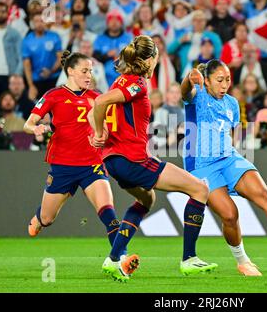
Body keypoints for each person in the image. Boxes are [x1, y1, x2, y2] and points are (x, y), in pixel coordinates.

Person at [89, 35, 217, 282]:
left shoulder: (120, 80)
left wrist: (102, 130)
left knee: (146, 198)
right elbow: (101, 100)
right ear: (149, 60)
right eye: (156, 58)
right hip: (132, 159)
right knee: (200, 189)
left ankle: (114, 258)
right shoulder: (137, 83)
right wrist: (98, 131)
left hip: (114, 160)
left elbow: (107, 104)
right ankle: (189, 259)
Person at [181, 59, 267, 277]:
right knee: (230, 215)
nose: (224, 85)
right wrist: (189, 79)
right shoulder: (197, 96)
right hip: (202, 164)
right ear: (206, 81)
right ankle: (243, 261)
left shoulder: (232, 104)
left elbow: (229, 133)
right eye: (219, 80)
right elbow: (184, 91)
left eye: (227, 80)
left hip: (229, 157)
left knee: (265, 195)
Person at [24, 51, 123, 268]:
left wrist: (101, 137)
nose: (89, 75)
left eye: (91, 71)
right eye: (84, 70)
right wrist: (36, 127)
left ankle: (120, 259)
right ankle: (39, 218)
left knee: (108, 210)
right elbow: (28, 123)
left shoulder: (97, 97)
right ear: (70, 71)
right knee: (48, 219)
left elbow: (104, 129)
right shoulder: (54, 95)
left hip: (92, 164)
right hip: (63, 167)